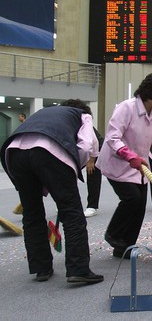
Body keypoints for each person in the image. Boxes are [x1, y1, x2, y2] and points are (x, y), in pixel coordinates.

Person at [0, 99, 104, 284]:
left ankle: (41, 268)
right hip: (49, 150)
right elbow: (87, 146)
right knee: (72, 212)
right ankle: (78, 268)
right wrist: (72, 169)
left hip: (14, 153)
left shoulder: (45, 112)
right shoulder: (82, 115)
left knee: (32, 214)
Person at [96, 72, 152, 259]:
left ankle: (125, 246)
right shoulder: (126, 108)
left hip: (140, 167)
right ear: (150, 91)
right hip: (118, 163)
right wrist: (129, 155)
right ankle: (113, 234)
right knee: (131, 199)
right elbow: (112, 137)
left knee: (139, 207)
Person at [84, 127, 104, 217]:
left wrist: (91, 160)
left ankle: (92, 206)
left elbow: (94, 141)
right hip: (78, 147)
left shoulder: (83, 119)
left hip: (95, 146)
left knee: (92, 172)